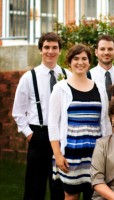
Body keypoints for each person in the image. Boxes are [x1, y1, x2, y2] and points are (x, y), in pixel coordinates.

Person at [48, 44, 112, 200]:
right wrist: (58, 154)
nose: (80, 62)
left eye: (84, 58)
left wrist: (109, 152)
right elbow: (53, 124)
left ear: (89, 62)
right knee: (71, 195)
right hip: (71, 153)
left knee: (96, 194)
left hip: (96, 152)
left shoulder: (100, 88)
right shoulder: (60, 88)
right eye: (76, 59)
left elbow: (105, 122)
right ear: (69, 62)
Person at [12, 32, 71, 200]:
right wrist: (30, 134)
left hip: (61, 137)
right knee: (34, 188)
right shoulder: (28, 77)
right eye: (46, 47)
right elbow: (18, 111)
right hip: (38, 135)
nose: (50, 51)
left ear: (60, 51)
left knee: (59, 187)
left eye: (54, 47)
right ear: (40, 50)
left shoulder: (68, 76)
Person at [89, 35, 114, 101]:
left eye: (110, 49)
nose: (106, 53)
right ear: (96, 52)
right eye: (102, 49)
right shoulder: (89, 76)